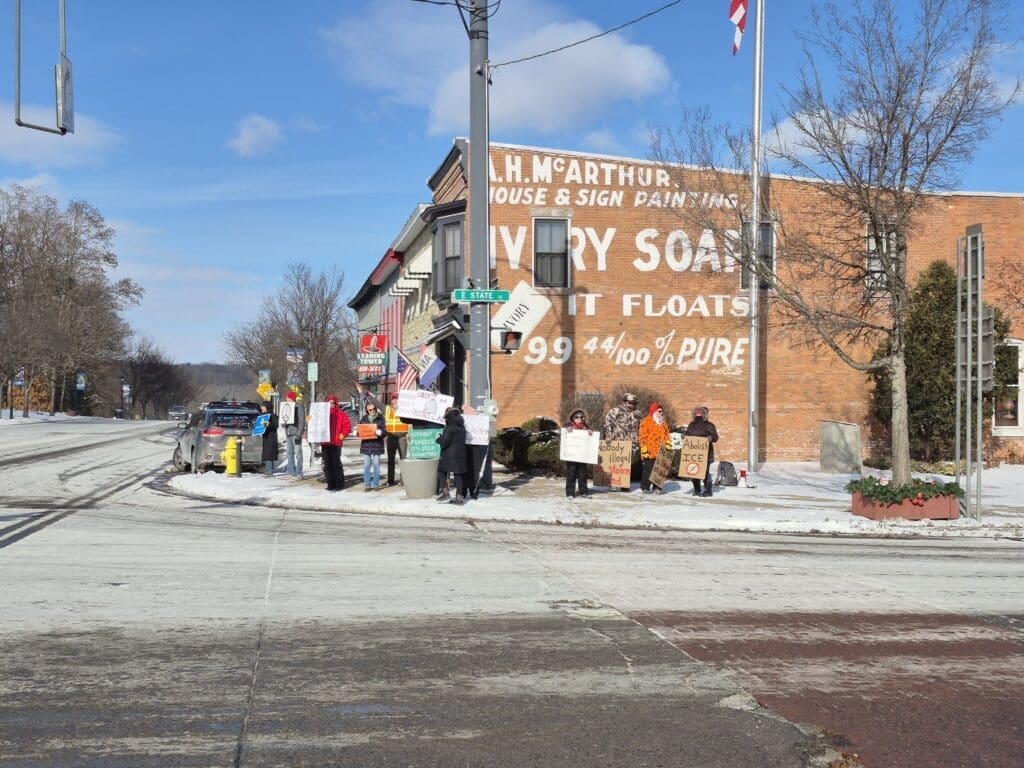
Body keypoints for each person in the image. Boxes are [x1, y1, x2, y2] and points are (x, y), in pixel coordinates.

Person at [602, 392, 642, 488]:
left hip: (632, 443)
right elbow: (607, 423)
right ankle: (615, 484)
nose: (632, 405)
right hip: (617, 442)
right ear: (625, 402)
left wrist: (640, 439)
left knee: (627, 465)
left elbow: (641, 427)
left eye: (634, 403)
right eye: (630, 402)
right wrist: (608, 436)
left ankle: (623, 483)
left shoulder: (638, 413)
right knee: (617, 464)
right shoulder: (615, 411)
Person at [684, 405, 719, 497]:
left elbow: (715, 437)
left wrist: (710, 438)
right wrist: (684, 436)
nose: (698, 415)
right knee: (694, 471)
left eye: (700, 413)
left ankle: (708, 490)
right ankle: (697, 489)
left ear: (705, 415)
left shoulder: (709, 425)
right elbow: (687, 434)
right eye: (697, 413)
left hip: (706, 453)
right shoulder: (691, 425)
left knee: (705, 472)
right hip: (693, 452)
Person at [436, 406, 467, 505]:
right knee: (458, 475)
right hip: (460, 454)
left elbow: (445, 442)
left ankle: (446, 494)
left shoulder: (449, 427)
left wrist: (438, 439)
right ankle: (459, 498)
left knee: (441, 471)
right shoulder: (462, 426)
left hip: (449, 455)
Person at [638, 402, 672, 494]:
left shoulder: (663, 423)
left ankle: (657, 488)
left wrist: (668, 444)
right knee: (648, 470)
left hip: (661, 451)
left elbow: (667, 435)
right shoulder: (646, 422)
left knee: (660, 470)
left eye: (661, 412)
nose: (661, 413)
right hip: (649, 450)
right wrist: (644, 449)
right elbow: (642, 436)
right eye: (659, 411)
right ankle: (645, 487)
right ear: (654, 411)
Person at [321, 395, 351, 491]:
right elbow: (314, 422)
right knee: (327, 464)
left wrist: (343, 434)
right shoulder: (322, 414)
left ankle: (339, 483)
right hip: (325, 442)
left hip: (336, 442)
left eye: (333, 402)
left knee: (336, 463)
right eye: (330, 402)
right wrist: (309, 419)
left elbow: (347, 426)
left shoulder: (341, 414)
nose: (332, 404)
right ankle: (330, 483)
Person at [564, 409, 593, 499]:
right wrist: (567, 431)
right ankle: (570, 493)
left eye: (581, 417)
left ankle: (583, 491)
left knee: (582, 474)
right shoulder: (568, 426)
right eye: (576, 417)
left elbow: (590, 439)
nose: (579, 418)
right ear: (573, 418)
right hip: (572, 456)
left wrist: (590, 433)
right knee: (571, 474)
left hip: (582, 456)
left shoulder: (585, 427)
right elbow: (563, 435)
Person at [358, 401, 386, 491]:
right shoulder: (364, 419)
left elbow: (385, 430)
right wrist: (356, 432)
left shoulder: (381, 418)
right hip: (366, 445)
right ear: (367, 411)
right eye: (370, 410)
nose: (372, 411)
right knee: (366, 465)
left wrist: (381, 432)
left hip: (377, 445)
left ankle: (376, 484)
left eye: (374, 409)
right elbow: (360, 430)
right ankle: (367, 484)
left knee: (376, 465)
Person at [280, 390, 305, 478]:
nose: (286, 399)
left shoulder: (298, 407)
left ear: (291, 398)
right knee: (290, 454)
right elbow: (283, 421)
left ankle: (299, 473)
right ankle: (292, 472)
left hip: (295, 433)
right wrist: (283, 422)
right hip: (288, 433)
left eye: (288, 398)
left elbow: (302, 422)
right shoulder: (286, 407)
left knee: (298, 454)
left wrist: (299, 434)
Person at [259, 401, 279, 474]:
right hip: (266, 436)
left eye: (263, 407)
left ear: (267, 407)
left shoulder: (272, 415)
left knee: (269, 453)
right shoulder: (263, 416)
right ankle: (269, 469)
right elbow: (261, 425)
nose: (262, 409)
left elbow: (275, 425)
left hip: (271, 437)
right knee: (267, 453)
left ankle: (269, 470)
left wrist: (267, 424)